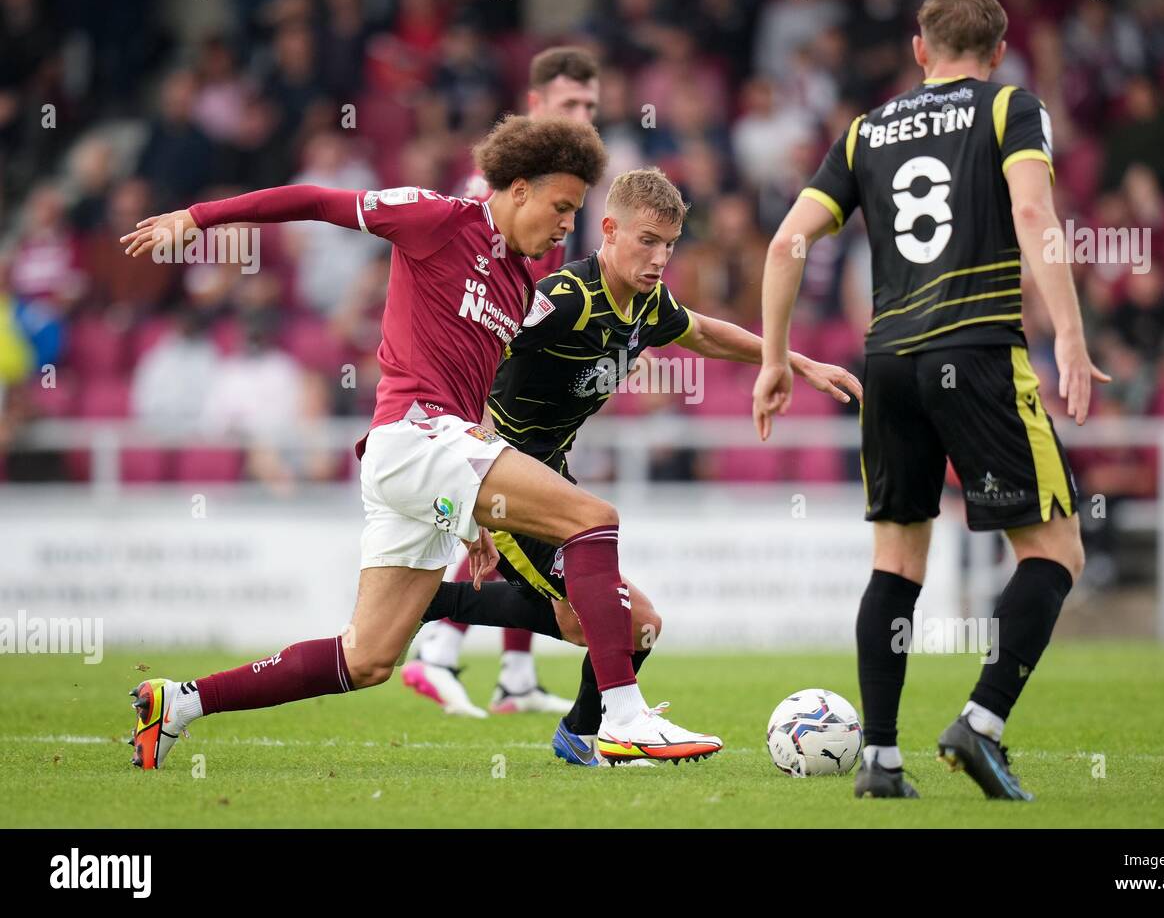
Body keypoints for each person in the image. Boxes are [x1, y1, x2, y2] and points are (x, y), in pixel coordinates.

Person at [118, 114, 721, 769]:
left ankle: (178, 702)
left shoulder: (521, 280)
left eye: (575, 211)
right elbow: (315, 201)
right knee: (593, 519)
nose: (564, 225)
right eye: (560, 206)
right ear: (518, 189)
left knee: (366, 658)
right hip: (413, 436)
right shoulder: (435, 217)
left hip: (438, 458)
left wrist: (473, 509)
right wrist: (199, 219)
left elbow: (477, 387)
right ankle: (623, 719)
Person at [753, 0, 1108, 801]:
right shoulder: (1010, 107)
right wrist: (1070, 335)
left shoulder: (865, 129)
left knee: (897, 563)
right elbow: (1030, 207)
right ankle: (980, 723)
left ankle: (879, 761)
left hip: (890, 362)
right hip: (977, 349)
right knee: (1057, 551)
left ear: (919, 49)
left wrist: (776, 360)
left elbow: (786, 243)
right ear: (999, 51)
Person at [405, 167, 861, 765]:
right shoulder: (564, 301)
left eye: (669, 244)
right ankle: (591, 717)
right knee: (623, 619)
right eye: (647, 240)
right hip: (510, 483)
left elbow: (704, 334)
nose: (659, 257)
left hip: (551, 480)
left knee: (628, 625)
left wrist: (795, 361)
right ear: (609, 229)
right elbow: (478, 361)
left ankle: (446, 617)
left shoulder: (649, 303)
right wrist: (475, 496)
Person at [415, 46, 602, 718]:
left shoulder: (562, 194)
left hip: (517, 376)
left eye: (592, 106)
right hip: (473, 385)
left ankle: (516, 672)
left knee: (536, 520)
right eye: (571, 105)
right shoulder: (494, 199)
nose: (585, 117)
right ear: (536, 108)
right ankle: (437, 645)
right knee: (536, 518)